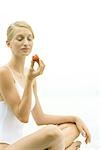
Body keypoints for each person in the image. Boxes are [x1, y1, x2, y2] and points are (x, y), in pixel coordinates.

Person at [0, 21, 91, 150]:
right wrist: (30, 81)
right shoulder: (4, 72)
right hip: (6, 147)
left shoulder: (29, 73)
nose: (25, 43)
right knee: (53, 132)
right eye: (20, 39)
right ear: (8, 44)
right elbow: (23, 116)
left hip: (23, 146)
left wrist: (75, 118)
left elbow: (40, 118)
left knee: (72, 128)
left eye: (29, 39)